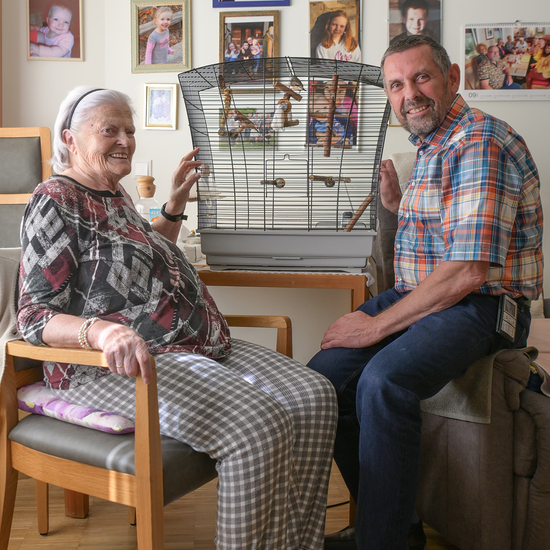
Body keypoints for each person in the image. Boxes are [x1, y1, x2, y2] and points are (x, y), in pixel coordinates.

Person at [17, 86, 338, 550]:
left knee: (314, 396)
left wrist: (174, 203)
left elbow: (145, 256)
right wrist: (102, 331)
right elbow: (33, 314)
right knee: (255, 425)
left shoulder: (114, 193)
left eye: (129, 129)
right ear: (70, 137)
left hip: (195, 346)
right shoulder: (56, 199)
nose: (125, 139)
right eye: (110, 130)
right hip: (112, 367)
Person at [309, 35, 543, 550]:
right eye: (396, 84)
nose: (408, 93)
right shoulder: (432, 143)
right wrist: (395, 207)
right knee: (323, 380)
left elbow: (465, 272)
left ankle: (381, 541)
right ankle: (394, 524)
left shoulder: (480, 141)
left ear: (452, 77)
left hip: (484, 306)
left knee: (383, 382)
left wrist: (373, 325)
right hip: (435, 294)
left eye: (421, 78)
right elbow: (438, 250)